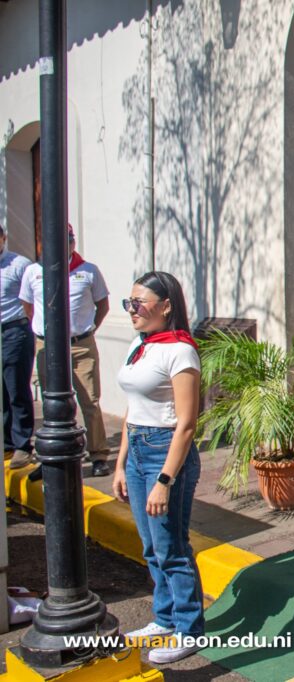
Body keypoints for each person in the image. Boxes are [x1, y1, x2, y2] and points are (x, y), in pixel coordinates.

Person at [112, 271, 204, 664]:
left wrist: (164, 480)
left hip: (166, 453)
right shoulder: (142, 342)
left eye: (139, 303)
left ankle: (189, 629)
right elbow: (133, 410)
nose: (132, 310)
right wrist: (120, 465)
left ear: (166, 306)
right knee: (151, 546)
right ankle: (164, 617)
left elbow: (186, 423)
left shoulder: (180, 351)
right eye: (128, 303)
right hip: (137, 451)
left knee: (171, 547)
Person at [19, 224, 112, 475]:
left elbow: (102, 304)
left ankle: (99, 455)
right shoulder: (33, 272)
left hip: (80, 345)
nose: (66, 244)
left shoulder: (88, 271)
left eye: (69, 239)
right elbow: (28, 307)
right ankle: (49, 454)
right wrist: (42, 332)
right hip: (47, 346)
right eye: (60, 239)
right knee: (50, 401)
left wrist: (90, 328)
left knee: (90, 401)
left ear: (73, 241)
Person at [1, 223, 36, 469]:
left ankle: (23, 444)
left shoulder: (19, 265)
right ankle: (6, 443)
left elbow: (33, 299)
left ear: (3, 238)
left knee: (16, 388)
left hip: (14, 330)